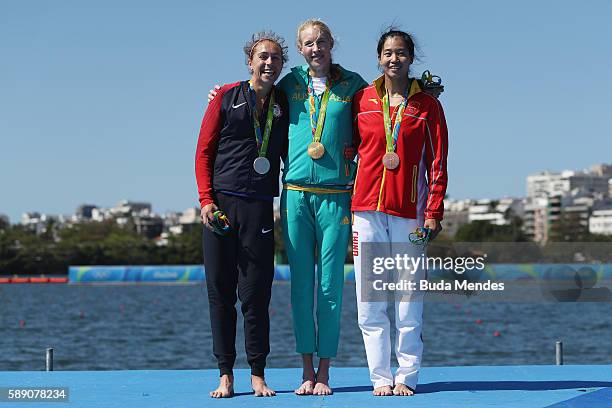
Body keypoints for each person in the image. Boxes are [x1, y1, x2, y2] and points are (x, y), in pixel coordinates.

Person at [351, 29, 448, 396]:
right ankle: (379, 376)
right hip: (366, 210)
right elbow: (346, 148)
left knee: (409, 297)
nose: (395, 59)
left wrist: (433, 210)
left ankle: (407, 374)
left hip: (410, 211)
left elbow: (438, 161)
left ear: (411, 58)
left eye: (402, 53)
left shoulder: (428, 106)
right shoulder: (361, 100)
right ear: (379, 58)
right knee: (371, 299)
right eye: (388, 53)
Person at [194, 31, 289, 398]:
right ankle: (224, 374)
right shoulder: (225, 96)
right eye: (263, 56)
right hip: (220, 207)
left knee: (256, 295)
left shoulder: (286, 102)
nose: (269, 63)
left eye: (276, 58)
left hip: (259, 208)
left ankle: (258, 373)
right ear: (250, 61)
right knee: (220, 293)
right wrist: (206, 201)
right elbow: (203, 152)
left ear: (282, 66)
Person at [276, 19, 367, 396]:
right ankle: (305, 369)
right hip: (295, 194)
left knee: (330, 285)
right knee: (300, 285)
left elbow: (382, 115)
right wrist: (221, 94)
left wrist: (423, 92)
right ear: (301, 49)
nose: (317, 48)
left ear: (332, 44)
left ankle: (326, 371)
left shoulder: (354, 85)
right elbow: (256, 101)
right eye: (309, 43)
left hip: (336, 195)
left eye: (323, 41)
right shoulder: (289, 84)